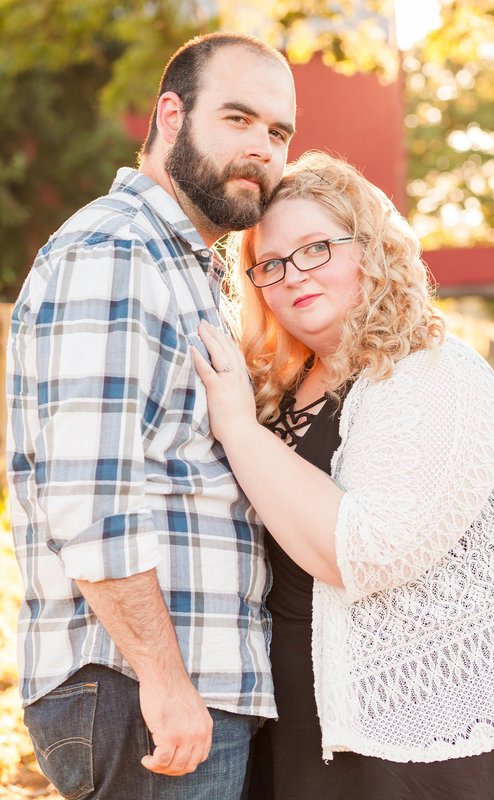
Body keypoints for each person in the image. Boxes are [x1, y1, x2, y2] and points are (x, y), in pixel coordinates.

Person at [190, 150, 494, 799]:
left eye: (316, 248)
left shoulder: (432, 374)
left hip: (412, 740)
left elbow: (366, 552)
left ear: (370, 249)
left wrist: (235, 428)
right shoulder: (278, 390)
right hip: (293, 716)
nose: (294, 275)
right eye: (270, 263)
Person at [5, 32, 295, 799]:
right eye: (238, 119)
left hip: (177, 684)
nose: (262, 149)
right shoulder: (115, 249)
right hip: (140, 688)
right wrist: (165, 682)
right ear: (171, 116)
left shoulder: (188, 266)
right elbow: (88, 495)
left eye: (278, 133)